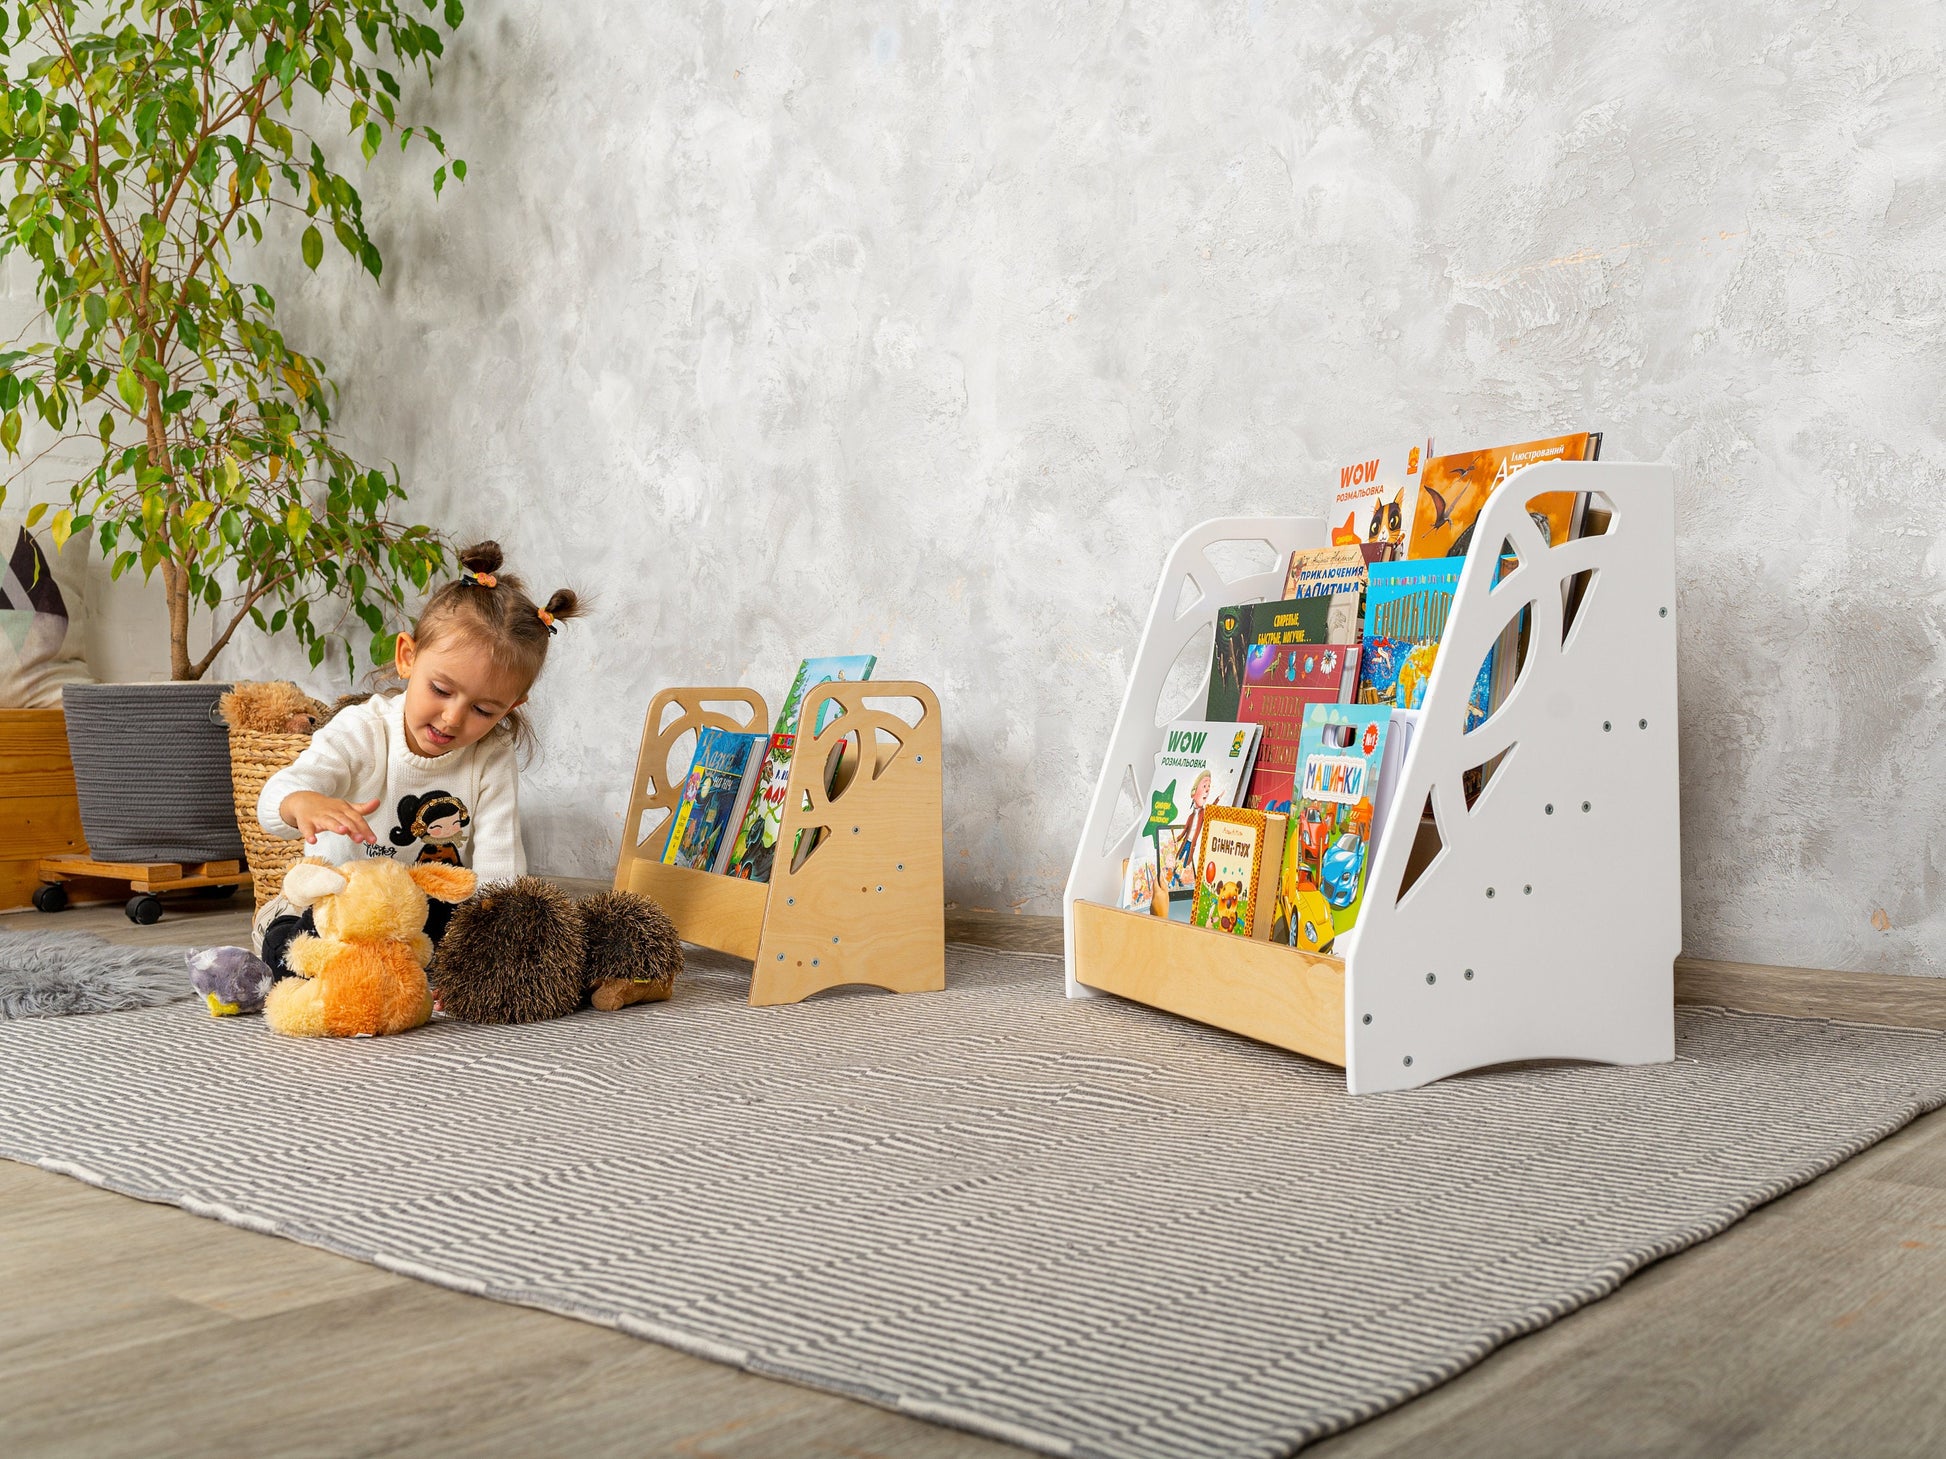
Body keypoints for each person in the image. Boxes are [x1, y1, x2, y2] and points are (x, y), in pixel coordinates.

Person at [252, 541, 582, 975]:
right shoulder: (362, 729)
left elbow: (500, 866)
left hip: (420, 914)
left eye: (483, 710)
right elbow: (273, 801)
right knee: (292, 947)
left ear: (512, 706)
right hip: (336, 907)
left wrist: (488, 947)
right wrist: (302, 803)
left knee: (465, 935)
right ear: (408, 657)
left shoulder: (491, 755)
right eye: (441, 690)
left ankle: (399, 971)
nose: (452, 718)